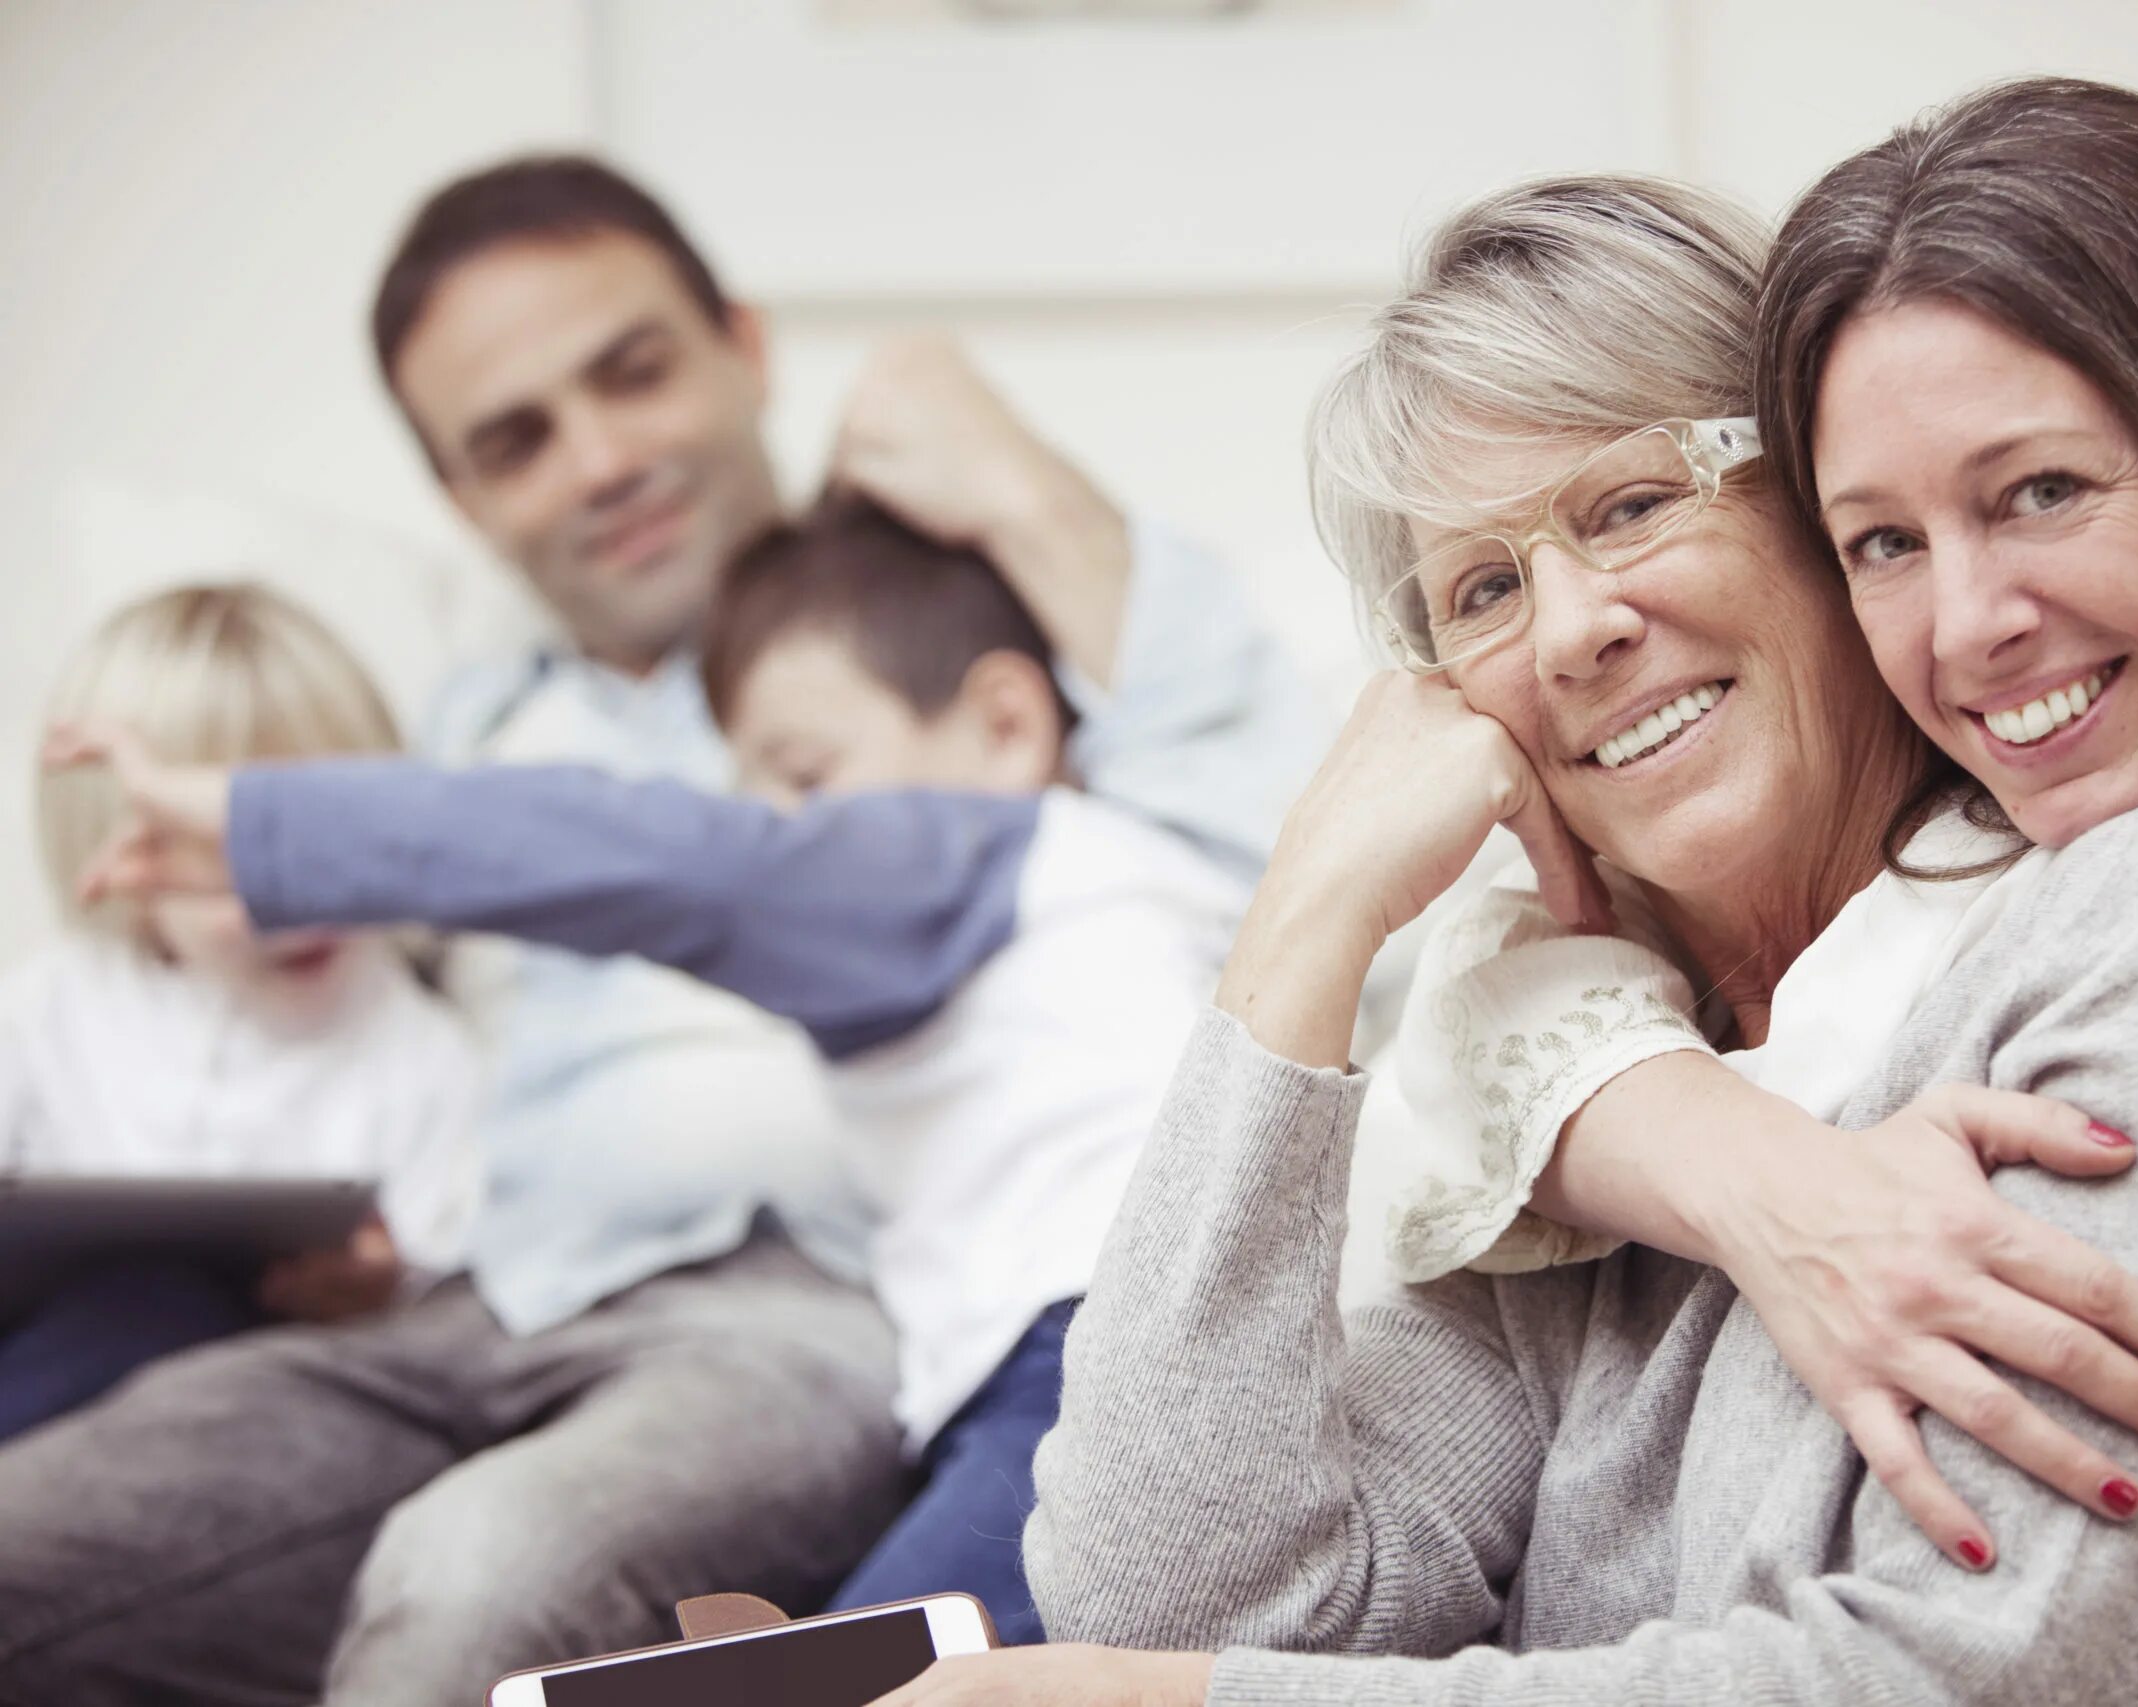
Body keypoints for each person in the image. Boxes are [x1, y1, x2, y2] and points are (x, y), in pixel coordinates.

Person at [896, 163, 2138, 1702]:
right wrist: (1301, 925)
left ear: (1826, 523)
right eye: (1479, 593)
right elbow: (1172, 1604)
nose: (1575, 630)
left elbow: (1972, 1674)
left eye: (1627, 504)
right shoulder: (1572, 1137)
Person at [0, 155, 1316, 1707]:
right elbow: (302, 1025)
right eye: (518, 440)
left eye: (631, 374)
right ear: (462, 502)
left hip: (786, 1316)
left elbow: (1284, 864)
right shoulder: (466, 714)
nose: (602, 458)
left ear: (742, 350)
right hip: (474, 1298)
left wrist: (1022, 480)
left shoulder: (936, 654)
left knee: (478, 1576)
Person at [59, 499, 1249, 1647]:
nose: (776, 826)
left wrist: (263, 830)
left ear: (1003, 728)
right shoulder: (1146, 879)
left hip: (1084, 1369)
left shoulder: (961, 859)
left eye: (803, 777)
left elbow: (655, 859)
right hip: (1143, 1363)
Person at [0, 584, 479, 1441]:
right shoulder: (52, 1006)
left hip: (252, 1393)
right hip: (44, 1360)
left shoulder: (422, 1054)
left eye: (329, 839)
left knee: (160, 1303)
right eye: (229, 858)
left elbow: (441, 1308)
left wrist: (372, 1288)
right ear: (113, 853)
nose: (295, 897)